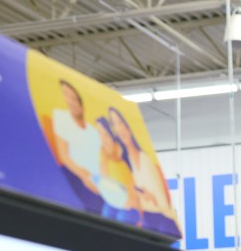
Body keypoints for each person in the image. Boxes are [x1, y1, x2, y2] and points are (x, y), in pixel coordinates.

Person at [106, 106, 181, 237]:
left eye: (120, 123)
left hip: (157, 219)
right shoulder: (124, 162)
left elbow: (162, 204)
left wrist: (146, 198)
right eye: (113, 125)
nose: (118, 129)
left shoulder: (145, 160)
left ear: (128, 127)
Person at [51, 80, 104, 214]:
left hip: (96, 179)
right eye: (65, 95)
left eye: (73, 96)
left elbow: (101, 160)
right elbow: (64, 156)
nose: (70, 100)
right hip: (75, 175)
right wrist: (84, 176)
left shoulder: (92, 130)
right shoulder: (61, 117)